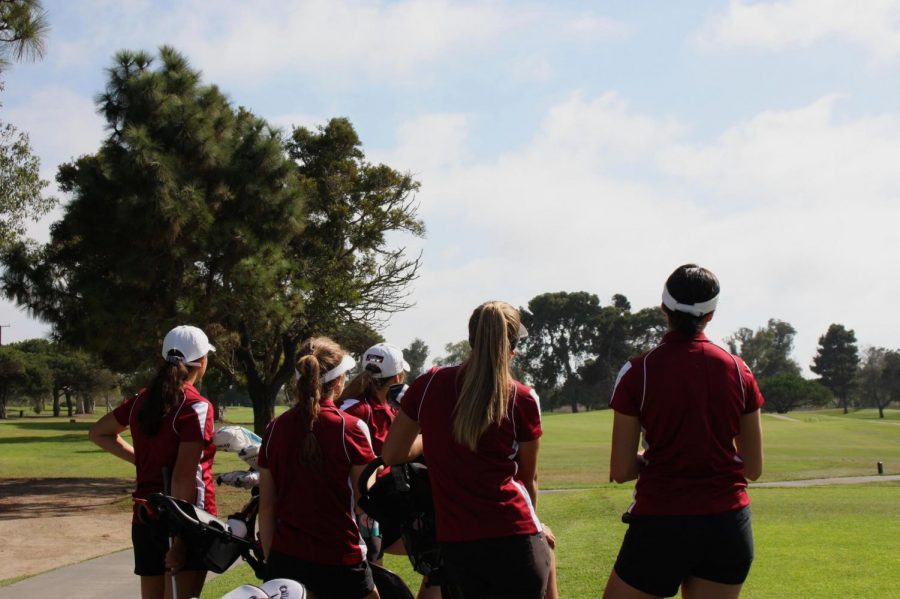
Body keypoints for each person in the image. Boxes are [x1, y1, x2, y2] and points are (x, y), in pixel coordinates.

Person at [603, 264, 765, 599]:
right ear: (711, 314)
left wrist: (649, 457)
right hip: (727, 525)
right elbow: (753, 468)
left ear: (664, 307)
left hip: (661, 524)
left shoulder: (638, 371)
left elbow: (620, 471)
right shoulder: (740, 370)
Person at [383, 300, 554, 599]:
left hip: (459, 547)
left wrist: (435, 436)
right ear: (511, 348)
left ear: (470, 339)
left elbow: (392, 454)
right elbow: (529, 481)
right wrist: (537, 527)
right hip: (517, 539)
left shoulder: (429, 384)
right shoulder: (522, 397)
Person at [89, 325, 217, 599]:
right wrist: (182, 540)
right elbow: (183, 479)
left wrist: (141, 460)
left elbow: (98, 432)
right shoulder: (196, 406)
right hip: (188, 522)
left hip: (145, 518)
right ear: (202, 362)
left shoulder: (141, 400)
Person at [257, 337, 380, 599]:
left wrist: (272, 564)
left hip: (285, 558)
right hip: (341, 557)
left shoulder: (274, 428)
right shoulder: (352, 428)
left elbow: (267, 507)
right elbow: (366, 504)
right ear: (337, 381)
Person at [340, 343, 442, 599]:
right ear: (398, 377)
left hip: (377, 507)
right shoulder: (362, 410)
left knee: (441, 557)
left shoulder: (366, 405)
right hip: (367, 510)